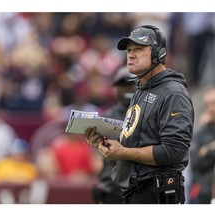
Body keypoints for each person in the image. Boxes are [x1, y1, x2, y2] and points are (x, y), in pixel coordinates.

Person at [84, 25, 194, 204]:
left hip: (156, 193)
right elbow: (139, 138)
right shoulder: (141, 90)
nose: (131, 54)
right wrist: (104, 142)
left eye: (139, 49)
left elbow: (174, 151)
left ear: (160, 54)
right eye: (129, 50)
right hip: (134, 190)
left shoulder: (173, 93)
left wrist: (124, 152)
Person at [92, 66, 136, 204]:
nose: (127, 89)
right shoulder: (108, 116)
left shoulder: (148, 111)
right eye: (122, 85)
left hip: (139, 187)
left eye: (131, 84)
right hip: (113, 188)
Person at [189, 86, 215, 204]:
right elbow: (195, 162)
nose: (212, 108)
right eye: (209, 104)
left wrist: (207, 151)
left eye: (214, 103)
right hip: (206, 193)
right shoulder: (201, 134)